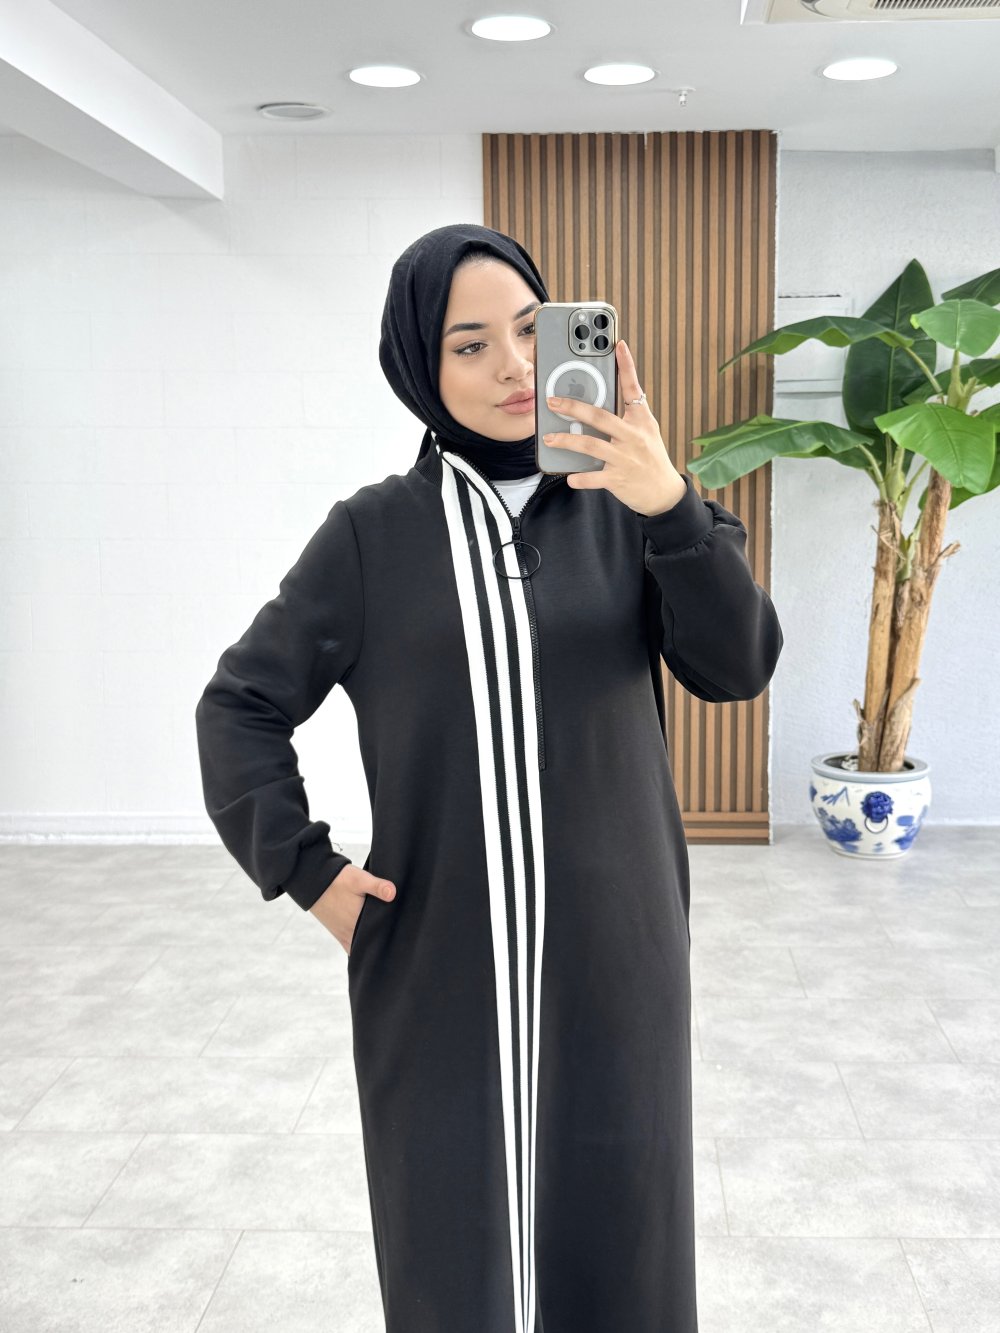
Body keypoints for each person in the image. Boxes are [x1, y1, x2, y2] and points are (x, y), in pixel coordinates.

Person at [195, 222, 784, 1332]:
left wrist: (670, 504)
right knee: (451, 1246)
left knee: (623, 1234)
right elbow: (238, 705)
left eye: (528, 329)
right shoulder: (372, 536)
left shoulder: (633, 508)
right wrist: (306, 870)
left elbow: (737, 666)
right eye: (469, 345)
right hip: (439, 963)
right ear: (420, 367)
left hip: (619, 954)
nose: (514, 366)